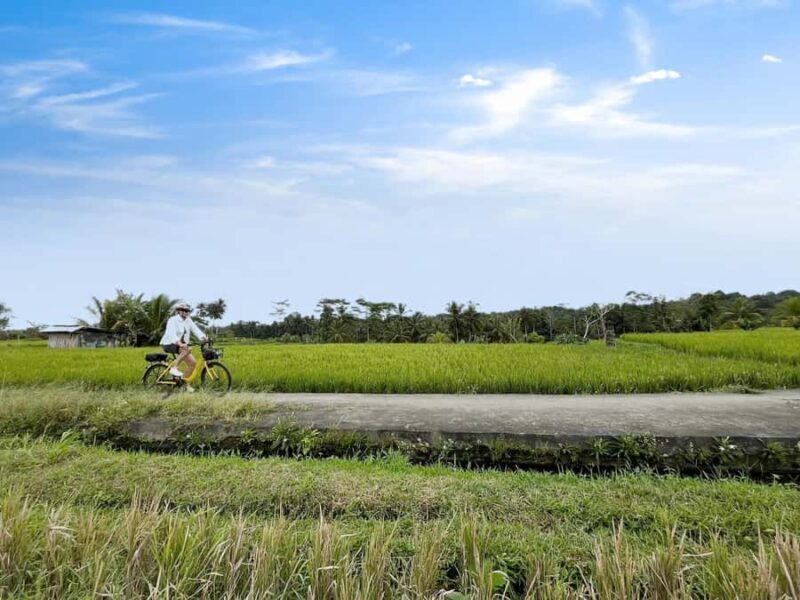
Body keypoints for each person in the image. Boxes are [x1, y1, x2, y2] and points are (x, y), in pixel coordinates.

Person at [160, 302, 208, 381]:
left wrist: (203, 337)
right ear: (179, 311)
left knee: (193, 363)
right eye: (183, 310)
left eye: (187, 311)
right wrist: (180, 344)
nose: (185, 312)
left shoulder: (188, 320)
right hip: (169, 343)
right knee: (188, 349)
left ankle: (184, 383)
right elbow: (171, 333)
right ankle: (174, 368)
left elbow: (195, 329)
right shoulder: (173, 320)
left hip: (180, 345)